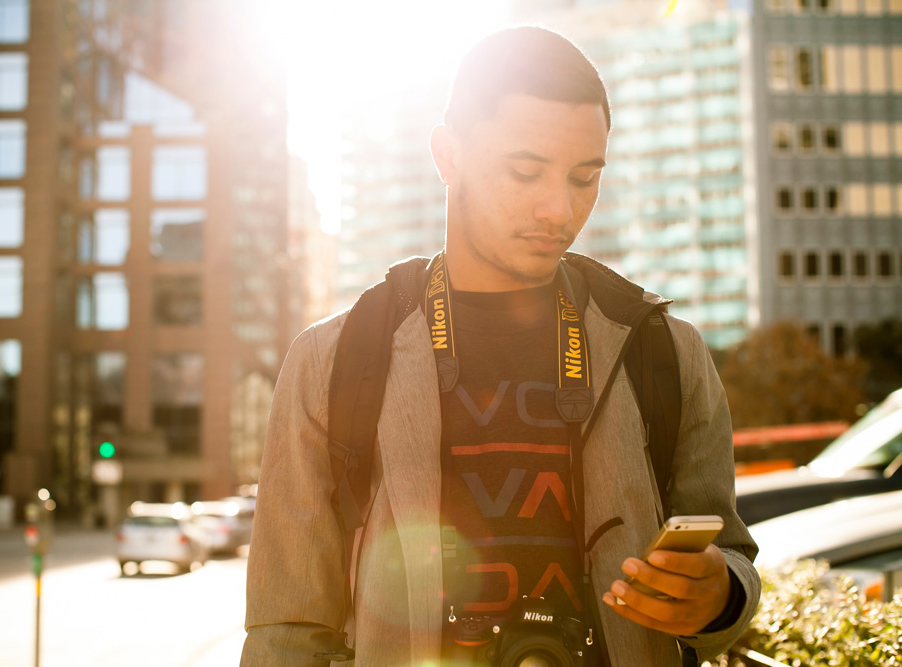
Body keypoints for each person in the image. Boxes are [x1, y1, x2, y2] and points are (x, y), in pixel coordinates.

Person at [242, 26, 760, 666]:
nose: (559, 211)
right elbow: (286, 630)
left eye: (584, 178)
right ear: (448, 156)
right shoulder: (332, 360)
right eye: (526, 170)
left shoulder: (665, 352)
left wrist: (721, 596)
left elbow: (731, 557)